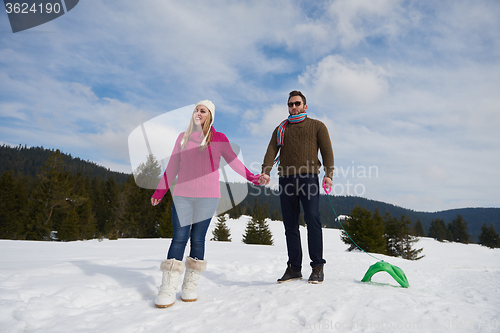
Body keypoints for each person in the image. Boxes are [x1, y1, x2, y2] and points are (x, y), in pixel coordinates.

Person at [151, 100, 261, 308]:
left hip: (208, 196)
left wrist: (253, 178)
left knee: (198, 239)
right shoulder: (182, 138)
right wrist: (160, 190)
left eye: (202, 110)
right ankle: (167, 288)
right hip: (182, 194)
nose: (198, 113)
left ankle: (190, 286)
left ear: (210, 115)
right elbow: (173, 166)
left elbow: (234, 162)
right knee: (179, 238)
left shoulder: (219, 139)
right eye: (195, 110)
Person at [259, 90, 334, 284]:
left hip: (309, 178)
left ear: (305, 106)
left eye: (297, 103)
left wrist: (328, 175)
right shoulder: (281, 129)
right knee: (290, 225)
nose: (293, 107)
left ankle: (317, 266)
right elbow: (271, 151)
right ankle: (294, 268)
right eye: (290, 104)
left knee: (312, 219)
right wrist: (266, 171)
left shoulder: (317, 126)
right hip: (285, 179)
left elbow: (327, 152)